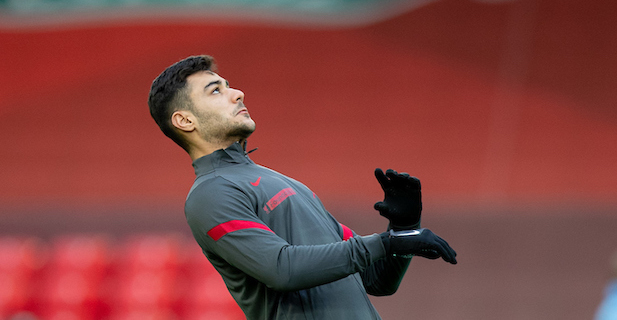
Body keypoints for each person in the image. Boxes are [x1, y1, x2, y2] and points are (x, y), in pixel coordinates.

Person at [147, 55, 457, 319]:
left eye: (229, 85)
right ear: (185, 121)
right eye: (216, 91)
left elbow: (377, 280)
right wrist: (388, 242)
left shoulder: (279, 180)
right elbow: (282, 270)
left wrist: (403, 226)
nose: (237, 93)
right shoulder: (210, 194)